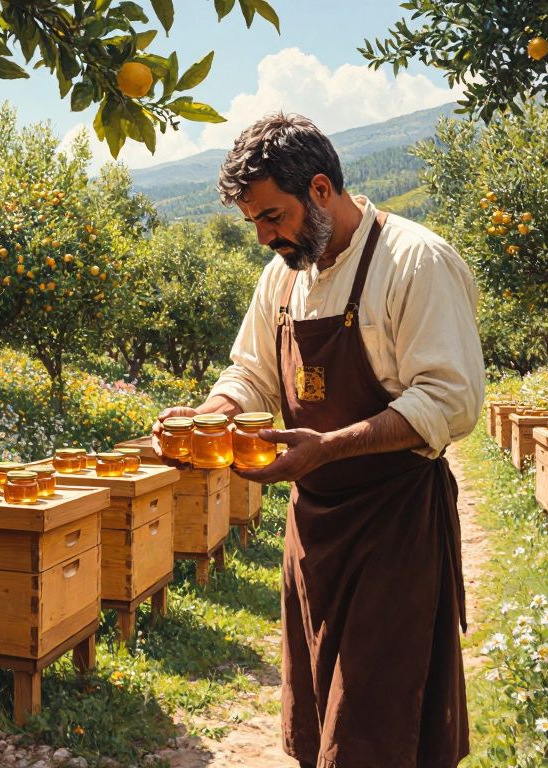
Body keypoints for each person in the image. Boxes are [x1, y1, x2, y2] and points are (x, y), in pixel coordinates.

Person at [151, 113, 484, 767]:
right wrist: (211, 415)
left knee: (377, 722)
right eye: (254, 223)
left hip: (396, 526)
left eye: (272, 216)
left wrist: (330, 447)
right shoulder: (283, 278)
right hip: (314, 530)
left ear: (323, 190)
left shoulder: (415, 262)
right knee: (317, 720)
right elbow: (249, 372)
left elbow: (450, 399)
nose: (263, 236)